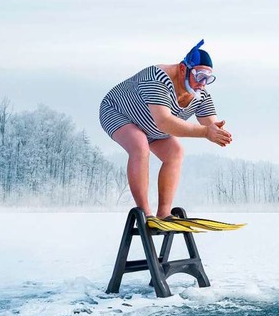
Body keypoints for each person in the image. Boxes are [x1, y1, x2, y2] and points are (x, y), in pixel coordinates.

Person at [99, 40, 231, 225]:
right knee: (139, 146)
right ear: (184, 68)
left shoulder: (201, 93)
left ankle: (164, 214)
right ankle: (145, 214)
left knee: (176, 153)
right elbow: (165, 122)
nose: (203, 83)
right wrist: (205, 132)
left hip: (153, 126)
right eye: (200, 75)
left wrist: (217, 132)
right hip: (118, 112)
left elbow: (211, 125)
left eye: (208, 78)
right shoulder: (157, 79)